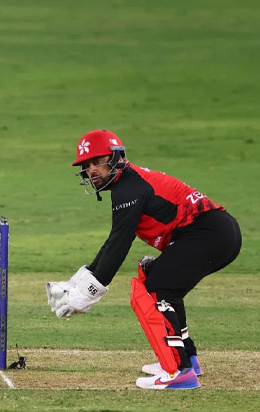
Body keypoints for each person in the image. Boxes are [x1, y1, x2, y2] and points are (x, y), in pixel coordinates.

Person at [46, 129, 241, 390]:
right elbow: (115, 240)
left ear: (116, 158)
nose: (92, 170)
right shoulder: (128, 184)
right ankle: (188, 359)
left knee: (158, 289)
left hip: (209, 234)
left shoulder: (129, 189)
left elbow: (119, 244)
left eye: (97, 162)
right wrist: (81, 279)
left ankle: (179, 370)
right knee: (156, 277)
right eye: (87, 165)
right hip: (214, 233)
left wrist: (88, 293)